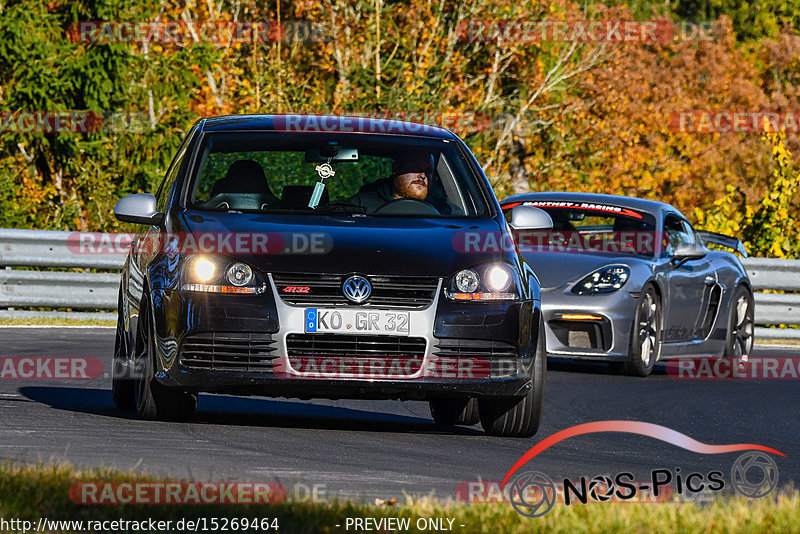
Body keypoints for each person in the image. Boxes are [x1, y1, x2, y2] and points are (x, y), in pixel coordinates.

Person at [348, 152, 453, 214]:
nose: (422, 175)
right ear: (396, 168)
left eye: (428, 171)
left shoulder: (444, 210)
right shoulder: (360, 204)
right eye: (416, 167)